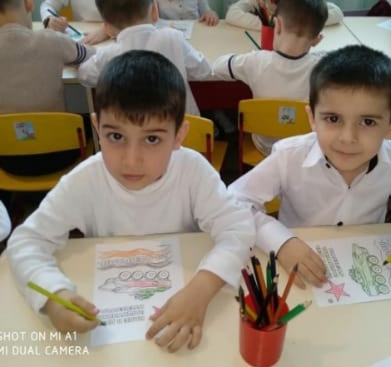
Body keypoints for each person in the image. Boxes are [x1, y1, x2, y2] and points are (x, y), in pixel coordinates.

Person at [7, 50, 255, 352]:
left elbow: (238, 229)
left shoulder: (193, 171)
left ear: (179, 135)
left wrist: (201, 290)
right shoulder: (85, 180)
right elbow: (26, 241)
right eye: (116, 137)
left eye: (152, 139)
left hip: (182, 307)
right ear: (97, 128)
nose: (131, 160)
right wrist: (53, 296)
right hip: (112, 335)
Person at [229, 45, 391, 289]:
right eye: (333, 119)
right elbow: (234, 202)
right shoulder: (289, 156)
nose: (347, 138)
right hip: (297, 271)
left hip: (365, 271)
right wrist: (281, 242)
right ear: (312, 118)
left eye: (367, 122)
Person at [0, 0, 95, 175]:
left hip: (8, 159)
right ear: (29, 2)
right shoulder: (51, 41)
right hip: (60, 154)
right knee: (89, 118)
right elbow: (89, 54)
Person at [78, 0, 211, 116]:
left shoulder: (108, 54)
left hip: (136, 129)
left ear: (107, 28)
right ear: (154, 12)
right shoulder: (173, 38)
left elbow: (84, 75)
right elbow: (204, 71)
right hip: (185, 127)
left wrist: (91, 53)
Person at [214, 0, 328, 155]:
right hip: (301, 149)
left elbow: (217, 67)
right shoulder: (323, 69)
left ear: (277, 25)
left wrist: (243, 56)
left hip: (264, 146)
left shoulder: (255, 62)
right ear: (317, 40)